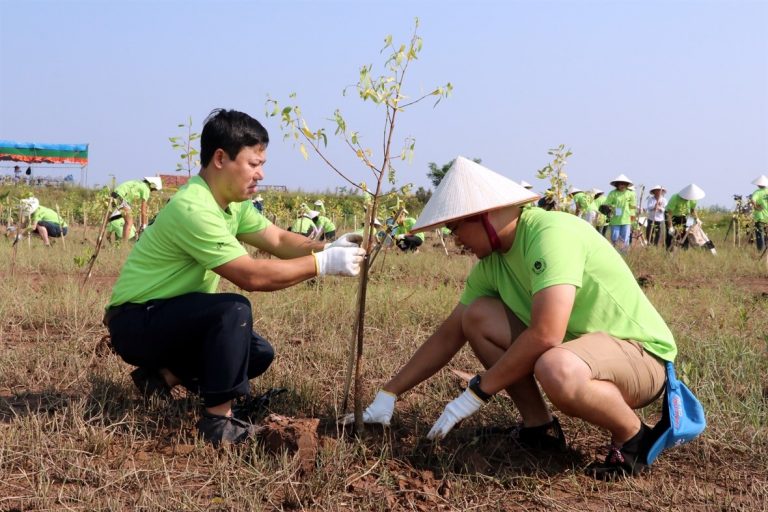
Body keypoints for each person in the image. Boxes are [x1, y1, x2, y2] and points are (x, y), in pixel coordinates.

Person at [346, 156, 677, 480]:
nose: (455, 238)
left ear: (485, 215)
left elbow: (547, 334)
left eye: (455, 227)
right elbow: (448, 335)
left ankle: (633, 436)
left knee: (555, 365)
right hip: (579, 352)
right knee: (477, 317)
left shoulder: (549, 233)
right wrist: (389, 394)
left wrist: (476, 393)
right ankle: (540, 428)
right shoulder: (493, 264)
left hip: (640, 357)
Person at [104, 109, 365, 446]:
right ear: (220, 158)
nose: (261, 174)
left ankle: (161, 377)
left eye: (262, 164)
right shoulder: (194, 207)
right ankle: (217, 422)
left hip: (167, 316)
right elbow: (252, 276)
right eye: (254, 163)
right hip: (135, 320)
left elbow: (278, 240)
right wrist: (323, 264)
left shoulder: (231, 203)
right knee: (233, 311)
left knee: (257, 353)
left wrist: (328, 246)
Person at [112, 176, 163, 241]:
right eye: (155, 189)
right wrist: (144, 225)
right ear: (153, 186)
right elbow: (143, 210)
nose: (154, 191)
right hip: (122, 197)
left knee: (112, 220)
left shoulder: (140, 183)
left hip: (115, 194)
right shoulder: (146, 189)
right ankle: (124, 243)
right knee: (129, 222)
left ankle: (122, 241)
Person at [665, 184, 704, 250]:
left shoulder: (693, 199)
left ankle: (684, 249)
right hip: (672, 216)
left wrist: (696, 219)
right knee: (670, 234)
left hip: (683, 216)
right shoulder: (675, 198)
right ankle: (669, 250)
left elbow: (692, 210)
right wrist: (670, 226)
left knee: (685, 233)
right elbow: (669, 214)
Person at [603, 174, 636, 252]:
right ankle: (615, 252)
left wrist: (633, 218)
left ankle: (624, 254)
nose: (622, 185)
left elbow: (632, 207)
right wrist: (611, 207)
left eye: (624, 184)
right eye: (620, 183)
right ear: (617, 184)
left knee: (625, 238)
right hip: (615, 219)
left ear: (627, 185)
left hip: (626, 219)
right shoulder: (612, 193)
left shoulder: (630, 193)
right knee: (615, 237)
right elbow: (607, 204)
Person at [750, 175, 768, 252]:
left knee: (760, 234)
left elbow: (753, 200)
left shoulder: (757, 193)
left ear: (758, 184)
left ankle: (761, 250)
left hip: (760, 216)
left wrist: (756, 207)